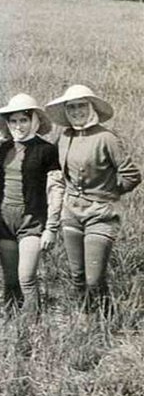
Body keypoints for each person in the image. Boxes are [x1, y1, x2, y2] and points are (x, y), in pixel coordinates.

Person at [44, 85, 141, 319]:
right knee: (77, 275)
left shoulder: (106, 137)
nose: (77, 111)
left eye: (81, 106)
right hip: (72, 212)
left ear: (91, 108)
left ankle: (108, 320)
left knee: (94, 278)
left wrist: (109, 193)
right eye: (72, 107)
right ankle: (87, 321)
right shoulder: (65, 137)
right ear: (66, 112)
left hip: (101, 214)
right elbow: (59, 173)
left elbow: (132, 175)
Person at [0, 94, 61, 326]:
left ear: (34, 120)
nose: (19, 126)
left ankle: (32, 328)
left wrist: (51, 228)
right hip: (3, 218)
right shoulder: (0, 148)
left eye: (23, 120)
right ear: (8, 124)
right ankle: (11, 328)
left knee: (27, 277)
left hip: (32, 220)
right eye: (14, 121)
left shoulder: (47, 150)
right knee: (10, 280)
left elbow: (56, 190)